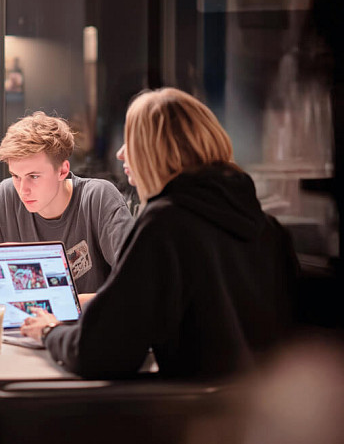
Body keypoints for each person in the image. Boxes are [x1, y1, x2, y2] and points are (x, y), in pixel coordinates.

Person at [20, 88, 298, 380]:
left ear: (158, 149)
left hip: (192, 419)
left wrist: (50, 331)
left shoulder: (164, 225)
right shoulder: (270, 230)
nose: (120, 153)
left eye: (132, 141)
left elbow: (99, 352)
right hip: (264, 413)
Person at [0, 111, 133, 299]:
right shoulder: (5, 196)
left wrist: (56, 303)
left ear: (62, 170)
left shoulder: (99, 198)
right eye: (15, 176)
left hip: (89, 325)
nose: (23, 189)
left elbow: (135, 283)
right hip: (24, 324)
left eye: (34, 177)